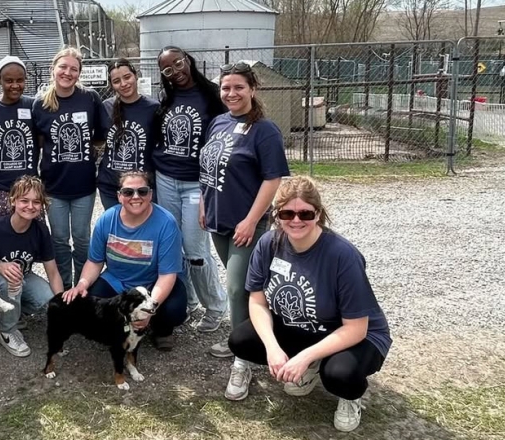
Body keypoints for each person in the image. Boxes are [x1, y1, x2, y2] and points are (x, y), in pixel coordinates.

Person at [224, 176, 392, 433]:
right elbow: (257, 300)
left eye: (305, 213)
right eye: (287, 213)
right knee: (241, 340)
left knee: (339, 375)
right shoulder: (269, 243)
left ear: (319, 214)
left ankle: (349, 396)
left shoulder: (342, 255)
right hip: (302, 325)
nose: (296, 220)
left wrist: (304, 356)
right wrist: (272, 348)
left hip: (354, 335)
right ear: (276, 215)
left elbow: (356, 329)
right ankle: (311, 363)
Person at [199, 62, 290, 358]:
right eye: (226, 88)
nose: (231, 93)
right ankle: (253, 333)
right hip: (218, 219)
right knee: (245, 285)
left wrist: (252, 220)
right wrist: (203, 203)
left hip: (246, 223)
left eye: (239, 87)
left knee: (238, 287)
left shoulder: (264, 130)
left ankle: (241, 346)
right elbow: (208, 167)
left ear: (252, 88)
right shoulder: (218, 122)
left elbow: (272, 177)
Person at [62, 171, 187, 351]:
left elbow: (167, 274)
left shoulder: (166, 223)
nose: (135, 197)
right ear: (119, 196)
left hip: (152, 283)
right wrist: (82, 284)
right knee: (93, 306)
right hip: (117, 281)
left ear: (151, 194)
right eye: (128, 192)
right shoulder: (107, 219)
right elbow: (95, 261)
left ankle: (161, 330)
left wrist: (149, 310)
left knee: (174, 310)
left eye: (142, 191)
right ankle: (123, 326)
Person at [154, 46, 228, 333]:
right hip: (165, 178)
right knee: (173, 246)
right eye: (168, 69)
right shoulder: (166, 98)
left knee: (196, 250)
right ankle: (188, 301)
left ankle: (216, 305)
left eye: (179, 62)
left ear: (188, 60)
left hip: (196, 182)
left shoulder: (212, 94)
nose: (176, 71)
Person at [32, 47, 107, 290]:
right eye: (63, 67)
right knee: (60, 240)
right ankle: (63, 288)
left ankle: (82, 287)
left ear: (79, 73)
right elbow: (39, 141)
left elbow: (99, 135)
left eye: (73, 69)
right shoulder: (40, 104)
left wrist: (88, 152)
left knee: (83, 238)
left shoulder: (89, 98)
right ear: (53, 69)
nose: (67, 72)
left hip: (83, 185)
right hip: (53, 186)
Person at [0, 176, 64, 357]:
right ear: (13, 201)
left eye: (36, 202)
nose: (30, 206)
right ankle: (8, 330)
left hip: (24, 277)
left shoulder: (40, 230)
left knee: (48, 300)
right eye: (24, 201)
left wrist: (61, 307)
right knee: (12, 281)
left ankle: (14, 313)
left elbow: (52, 272)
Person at [0, 56, 39, 223]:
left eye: (20, 80)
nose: (15, 85)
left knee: (32, 234)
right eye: (9, 80)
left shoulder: (33, 106)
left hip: (28, 189)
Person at [98, 59, 160, 210]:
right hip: (111, 186)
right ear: (112, 85)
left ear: (136, 76)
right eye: (117, 81)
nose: (124, 84)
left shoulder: (153, 108)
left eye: (127, 77)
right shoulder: (106, 107)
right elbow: (98, 140)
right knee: (115, 230)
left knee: (143, 231)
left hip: (142, 188)